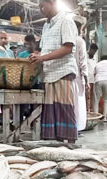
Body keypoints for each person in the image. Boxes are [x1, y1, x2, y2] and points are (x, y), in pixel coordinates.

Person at [30, 0, 79, 143]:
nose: (41, 10)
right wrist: (37, 55)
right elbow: (44, 48)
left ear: (51, 3)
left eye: (42, 6)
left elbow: (68, 48)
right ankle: (54, 142)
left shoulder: (66, 21)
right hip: (49, 73)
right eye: (39, 7)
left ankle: (70, 143)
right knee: (51, 109)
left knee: (64, 108)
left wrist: (42, 58)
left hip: (63, 71)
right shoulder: (46, 25)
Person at [73, 17, 88, 132]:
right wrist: (87, 81)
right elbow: (83, 63)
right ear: (78, 28)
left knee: (70, 103)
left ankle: (69, 127)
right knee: (78, 104)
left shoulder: (65, 40)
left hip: (66, 76)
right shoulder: (79, 41)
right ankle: (77, 128)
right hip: (77, 77)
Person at [87, 43, 98, 109]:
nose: (94, 53)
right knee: (87, 95)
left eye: (95, 52)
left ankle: (90, 108)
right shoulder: (84, 55)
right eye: (93, 51)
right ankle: (86, 109)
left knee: (92, 95)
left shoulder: (94, 58)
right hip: (86, 79)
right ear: (90, 49)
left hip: (93, 79)